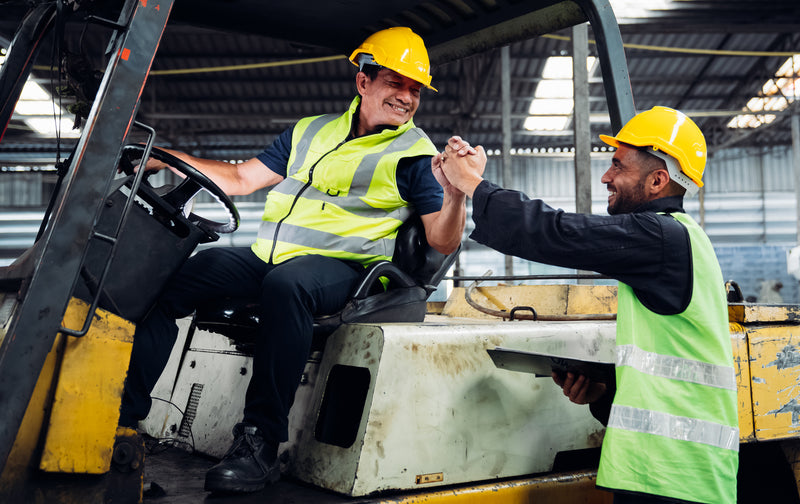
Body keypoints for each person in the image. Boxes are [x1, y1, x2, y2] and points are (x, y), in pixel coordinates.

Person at [118, 26, 473, 494]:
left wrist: (455, 194)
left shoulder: (414, 155)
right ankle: (122, 426)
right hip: (272, 257)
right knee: (175, 278)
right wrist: (168, 157)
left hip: (345, 269)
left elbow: (443, 241)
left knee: (288, 286)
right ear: (363, 81)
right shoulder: (311, 131)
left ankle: (260, 442)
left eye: (414, 89)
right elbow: (243, 179)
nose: (406, 97)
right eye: (395, 82)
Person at [438, 106, 739, 504]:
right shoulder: (678, 239)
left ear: (657, 180)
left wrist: (474, 184)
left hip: (675, 479)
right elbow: (668, 382)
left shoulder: (661, 236)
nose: (606, 176)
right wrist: (602, 393)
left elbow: (556, 232)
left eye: (618, 166)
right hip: (668, 472)